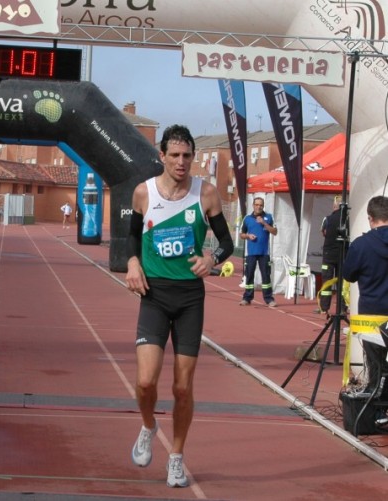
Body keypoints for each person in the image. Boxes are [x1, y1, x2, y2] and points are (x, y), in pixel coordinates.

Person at [125, 124, 233, 488]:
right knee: (144, 382)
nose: (182, 162)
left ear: (193, 156)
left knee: (182, 388)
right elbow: (132, 238)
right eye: (175, 155)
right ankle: (148, 425)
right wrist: (133, 262)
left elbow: (227, 243)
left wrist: (212, 257)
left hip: (189, 298)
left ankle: (176, 456)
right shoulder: (144, 193)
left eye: (187, 155)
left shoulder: (207, 194)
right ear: (162, 157)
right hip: (154, 296)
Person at [342, 195, 388, 401]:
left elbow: (348, 275)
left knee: (375, 360)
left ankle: (375, 402)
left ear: (370, 218)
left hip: (371, 312)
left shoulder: (361, 244)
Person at [239, 197, 278, 307]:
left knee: (266, 276)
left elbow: (275, 232)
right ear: (253, 205)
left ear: (263, 206)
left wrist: (264, 223)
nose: (258, 207)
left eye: (261, 205)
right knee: (249, 275)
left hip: (264, 252)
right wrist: (248, 236)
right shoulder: (247, 218)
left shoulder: (269, 217)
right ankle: (247, 298)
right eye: (256, 204)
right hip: (250, 253)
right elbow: (241, 234)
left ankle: (269, 299)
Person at [318, 196, 345, 315]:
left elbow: (323, 232)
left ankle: (324, 308)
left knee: (327, 281)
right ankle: (342, 309)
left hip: (329, 255)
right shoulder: (348, 219)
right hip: (343, 254)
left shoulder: (327, 218)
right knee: (342, 283)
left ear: (334, 206)